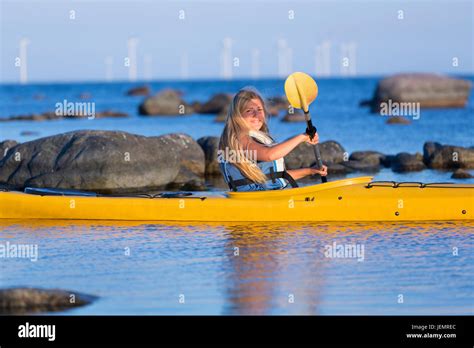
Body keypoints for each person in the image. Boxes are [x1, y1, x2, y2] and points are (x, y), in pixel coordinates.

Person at [218, 88, 328, 192]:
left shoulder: (251, 138)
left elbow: (276, 176)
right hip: (257, 201)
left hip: (265, 197)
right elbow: (269, 155)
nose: (256, 114)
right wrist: (302, 137)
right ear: (238, 116)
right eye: (249, 110)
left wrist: (310, 171)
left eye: (259, 109)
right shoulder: (241, 140)